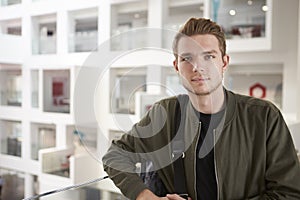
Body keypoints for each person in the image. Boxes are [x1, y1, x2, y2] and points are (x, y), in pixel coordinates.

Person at [102, 17, 300, 200]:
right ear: (176, 66)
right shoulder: (165, 113)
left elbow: (288, 193)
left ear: (224, 62)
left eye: (208, 56)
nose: (197, 67)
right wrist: (145, 196)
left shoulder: (264, 116)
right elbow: (115, 155)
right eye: (186, 58)